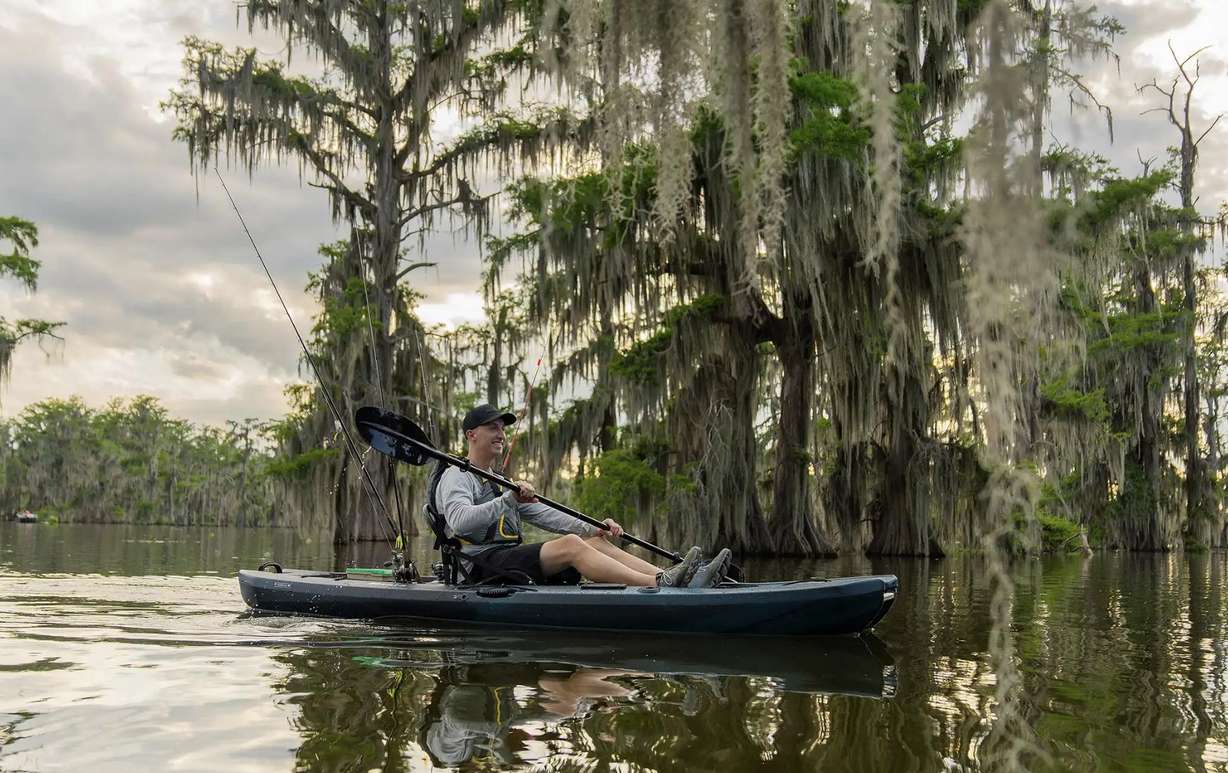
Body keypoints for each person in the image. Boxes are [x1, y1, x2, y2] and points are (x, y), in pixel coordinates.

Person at [436, 403, 733, 588]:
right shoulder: (456, 476)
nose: (500, 434)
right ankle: (659, 583)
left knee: (590, 540)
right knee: (571, 546)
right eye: (492, 428)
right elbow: (461, 523)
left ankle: (679, 578)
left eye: (502, 428)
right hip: (477, 569)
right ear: (471, 435)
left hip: (502, 562)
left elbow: (547, 515)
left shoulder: (500, 482)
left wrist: (593, 527)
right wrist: (508, 500)